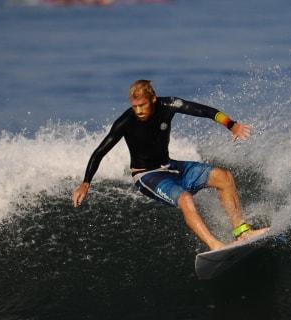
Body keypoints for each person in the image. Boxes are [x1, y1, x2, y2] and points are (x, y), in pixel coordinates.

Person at [71, 80, 267, 251]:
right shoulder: (126, 121)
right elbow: (99, 152)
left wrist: (230, 124)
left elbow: (203, 110)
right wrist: (86, 183)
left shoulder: (168, 104)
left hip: (169, 166)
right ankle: (215, 245)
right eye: (135, 106)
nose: (138, 111)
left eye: (142, 105)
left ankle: (242, 231)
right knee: (185, 199)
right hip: (147, 175)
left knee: (224, 177)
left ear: (153, 99)